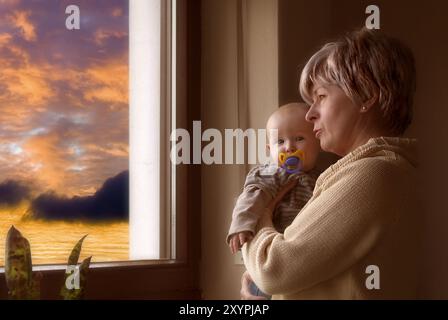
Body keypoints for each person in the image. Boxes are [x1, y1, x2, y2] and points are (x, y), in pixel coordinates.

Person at [240, 28, 420, 299]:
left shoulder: (373, 173)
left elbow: (272, 269)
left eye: (321, 97)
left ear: (367, 94)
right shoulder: (371, 171)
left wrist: (258, 217)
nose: (311, 114)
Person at [227, 103, 321, 298]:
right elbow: (252, 196)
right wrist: (242, 224)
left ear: (317, 141)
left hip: (294, 259)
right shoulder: (273, 173)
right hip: (268, 258)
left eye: (299, 139)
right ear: (270, 150)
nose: (289, 147)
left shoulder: (321, 178)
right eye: (280, 142)